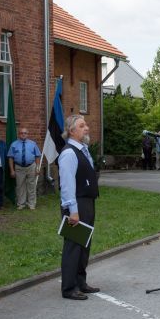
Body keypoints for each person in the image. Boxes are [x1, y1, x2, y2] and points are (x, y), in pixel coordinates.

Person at [58, 115, 100, 300]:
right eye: (82, 126)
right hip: (76, 205)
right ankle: (69, 288)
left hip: (87, 203)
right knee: (73, 246)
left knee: (84, 245)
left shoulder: (83, 150)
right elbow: (67, 185)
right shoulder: (69, 153)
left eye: (86, 125)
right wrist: (72, 210)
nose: (87, 128)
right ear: (72, 131)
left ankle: (81, 282)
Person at [8, 128, 41, 210]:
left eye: (25, 133)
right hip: (19, 167)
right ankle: (21, 204)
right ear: (19, 134)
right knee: (20, 186)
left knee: (31, 186)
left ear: (28, 134)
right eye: (21, 133)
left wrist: (37, 168)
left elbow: (37, 156)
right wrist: (12, 170)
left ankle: (31, 204)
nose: (23, 134)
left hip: (31, 166)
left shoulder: (33, 144)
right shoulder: (14, 144)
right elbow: (10, 158)